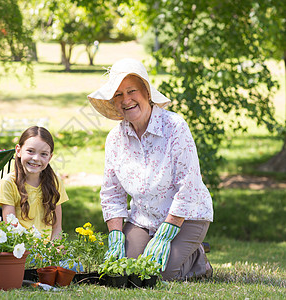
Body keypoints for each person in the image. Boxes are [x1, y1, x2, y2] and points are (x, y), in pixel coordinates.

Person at [87, 58, 214, 281]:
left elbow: (189, 185)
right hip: (143, 218)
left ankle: (198, 260)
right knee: (124, 272)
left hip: (187, 216)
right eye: (118, 95)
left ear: (146, 93)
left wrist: (166, 234)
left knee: (156, 274)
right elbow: (112, 193)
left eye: (131, 91)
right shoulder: (115, 139)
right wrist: (116, 234)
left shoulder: (175, 127)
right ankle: (165, 249)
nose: (126, 100)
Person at [0, 126, 69, 241]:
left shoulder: (55, 182)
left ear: (50, 157)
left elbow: (57, 228)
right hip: (22, 251)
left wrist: (54, 250)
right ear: (18, 151)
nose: (36, 158)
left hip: (48, 252)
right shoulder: (9, 183)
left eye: (43, 154)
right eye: (30, 151)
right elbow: (11, 228)